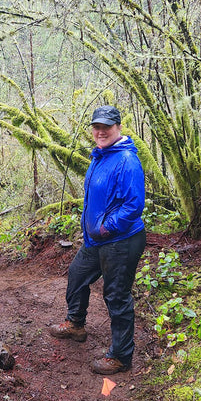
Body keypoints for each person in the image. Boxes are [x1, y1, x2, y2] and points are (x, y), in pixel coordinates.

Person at [49, 105, 147, 375]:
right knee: (77, 274)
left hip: (122, 241)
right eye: (97, 126)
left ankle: (121, 357)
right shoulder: (101, 156)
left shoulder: (126, 160)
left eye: (107, 126)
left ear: (118, 128)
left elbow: (134, 205)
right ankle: (76, 324)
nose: (101, 131)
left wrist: (106, 228)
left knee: (116, 296)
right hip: (97, 240)